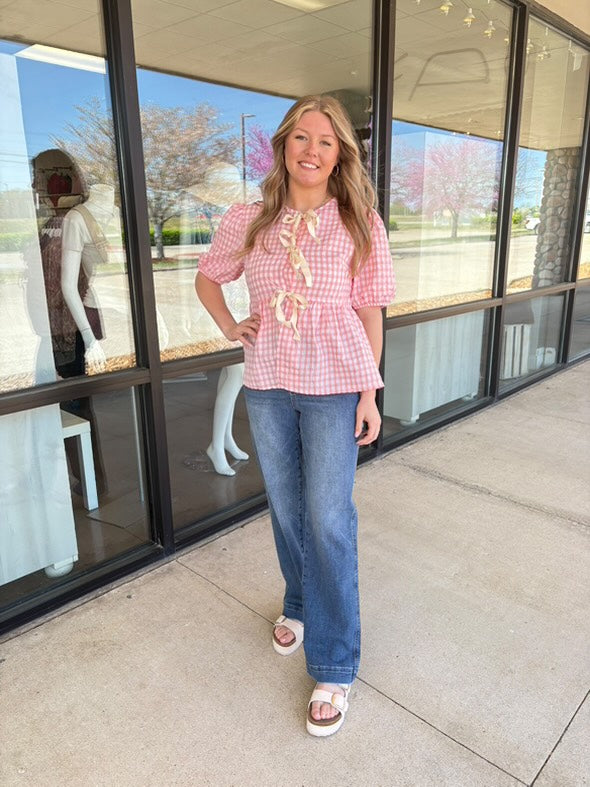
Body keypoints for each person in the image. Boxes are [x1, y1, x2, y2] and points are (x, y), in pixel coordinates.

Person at [195, 94, 395, 736]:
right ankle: (300, 602)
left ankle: (334, 665)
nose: (312, 150)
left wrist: (369, 392)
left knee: (329, 518)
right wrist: (232, 325)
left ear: (341, 155)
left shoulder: (360, 219)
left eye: (326, 141)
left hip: (336, 387)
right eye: (301, 138)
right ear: (282, 145)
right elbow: (208, 277)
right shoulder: (249, 218)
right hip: (270, 385)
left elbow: (370, 310)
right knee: (285, 508)